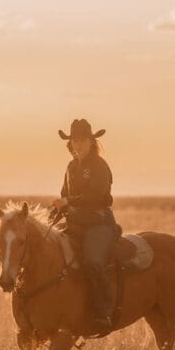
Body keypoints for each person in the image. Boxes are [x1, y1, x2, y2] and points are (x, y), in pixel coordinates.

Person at [50, 118, 121, 332]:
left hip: (98, 223)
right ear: (70, 143)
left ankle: (103, 313)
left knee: (92, 262)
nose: (78, 144)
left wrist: (69, 202)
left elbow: (98, 196)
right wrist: (58, 209)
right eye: (75, 141)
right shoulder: (71, 166)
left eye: (82, 140)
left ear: (91, 142)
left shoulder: (99, 165)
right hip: (76, 222)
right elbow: (65, 194)